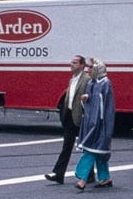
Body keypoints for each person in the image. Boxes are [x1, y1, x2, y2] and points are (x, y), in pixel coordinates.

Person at [45, 55, 92, 184]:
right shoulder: (72, 80)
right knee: (67, 147)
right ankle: (59, 174)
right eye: (71, 62)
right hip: (70, 116)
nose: (71, 64)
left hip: (81, 117)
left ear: (82, 65)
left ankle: (90, 175)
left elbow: (91, 98)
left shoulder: (87, 79)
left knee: (86, 147)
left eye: (75, 63)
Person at [75, 58, 115, 191]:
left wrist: (104, 124)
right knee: (98, 151)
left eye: (91, 67)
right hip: (90, 121)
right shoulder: (91, 83)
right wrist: (85, 99)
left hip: (100, 123)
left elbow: (107, 107)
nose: (89, 69)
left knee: (92, 150)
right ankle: (105, 178)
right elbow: (90, 102)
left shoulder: (105, 83)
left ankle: (82, 178)